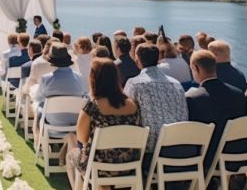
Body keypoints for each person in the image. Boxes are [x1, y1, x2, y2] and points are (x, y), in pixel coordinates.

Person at [64, 58, 141, 190]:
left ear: (94, 78)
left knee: (72, 154)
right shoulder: (133, 105)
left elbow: (81, 138)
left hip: (97, 167)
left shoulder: (92, 106)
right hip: (129, 165)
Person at [185, 51, 246, 170]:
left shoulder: (192, 98)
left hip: (208, 158)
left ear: (196, 68)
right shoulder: (238, 94)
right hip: (237, 153)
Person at [124, 44, 187, 153]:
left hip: (150, 148)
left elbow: (125, 113)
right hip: (179, 144)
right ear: (158, 59)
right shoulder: (176, 83)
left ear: (137, 59)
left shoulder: (134, 83)